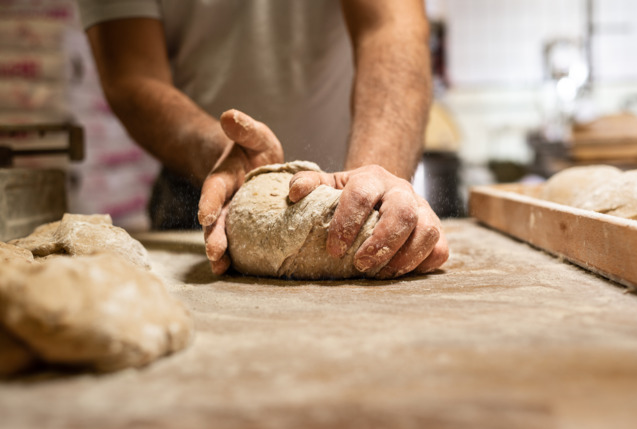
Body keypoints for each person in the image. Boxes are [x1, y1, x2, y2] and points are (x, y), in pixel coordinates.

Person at [77, 0, 449, 278]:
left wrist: (376, 172)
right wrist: (222, 150)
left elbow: (389, 28)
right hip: (204, 185)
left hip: (350, 175)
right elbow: (133, 75)